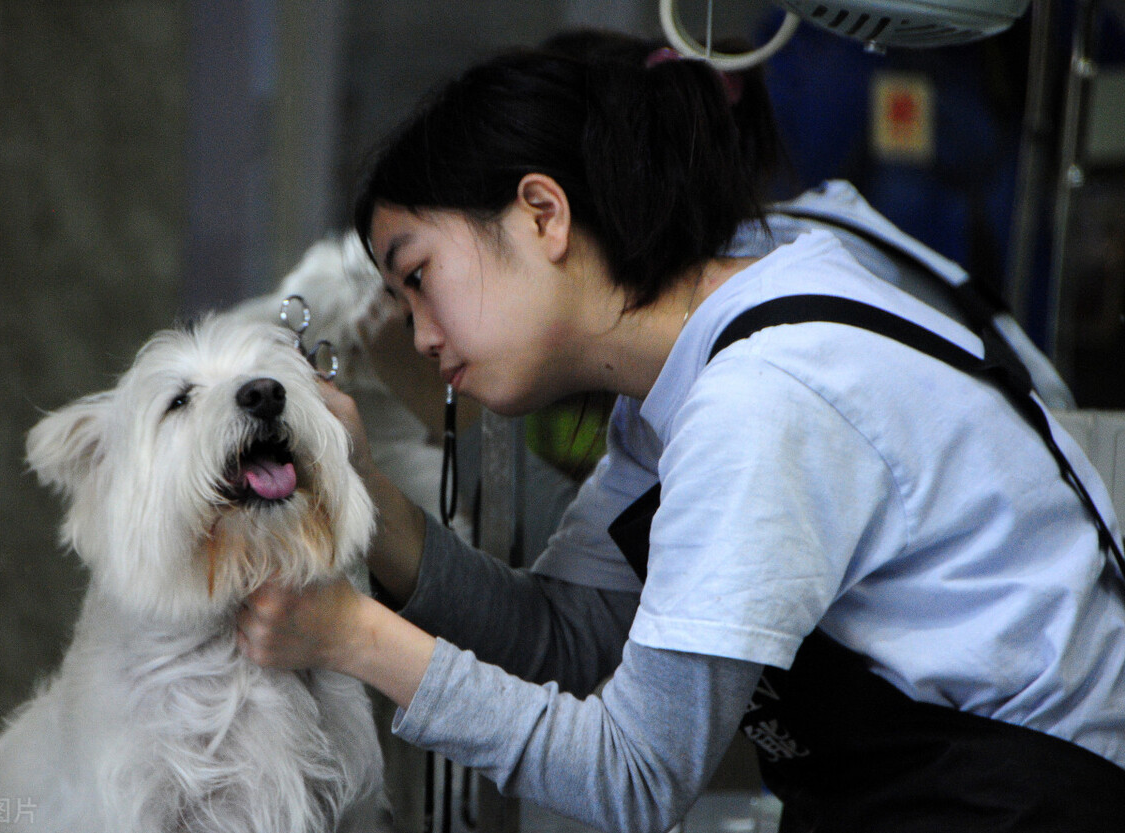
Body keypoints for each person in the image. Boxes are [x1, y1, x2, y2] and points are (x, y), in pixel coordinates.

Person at [235, 34, 1125, 832]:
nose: (422, 336)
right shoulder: (678, 385)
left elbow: (633, 778)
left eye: (421, 275)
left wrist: (352, 635)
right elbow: (572, 641)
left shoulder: (760, 396)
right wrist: (367, 498)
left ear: (542, 214)